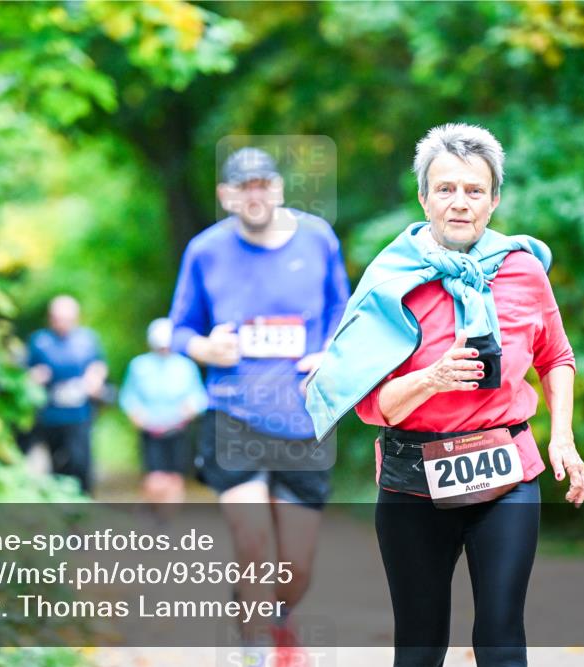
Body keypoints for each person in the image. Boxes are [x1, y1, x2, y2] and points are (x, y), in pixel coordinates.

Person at [306, 123, 584, 667]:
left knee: (502, 637)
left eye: (474, 190)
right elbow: (372, 407)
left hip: (507, 472)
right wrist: (432, 377)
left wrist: (564, 439)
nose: (460, 203)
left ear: (494, 200)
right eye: (446, 189)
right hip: (415, 481)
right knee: (419, 645)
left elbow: (557, 357)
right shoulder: (391, 283)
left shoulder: (523, 271)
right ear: (424, 197)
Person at [168, 146, 351, 663]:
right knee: (251, 542)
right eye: (243, 187)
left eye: (264, 184)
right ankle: (251, 650)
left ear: (279, 188)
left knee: (295, 567)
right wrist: (204, 347)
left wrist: (327, 352)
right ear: (226, 196)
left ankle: (275, 618)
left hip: (301, 415)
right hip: (234, 412)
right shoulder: (204, 251)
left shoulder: (318, 238)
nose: (255, 195)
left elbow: (343, 306)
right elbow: (179, 329)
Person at [119, 317, 208, 510]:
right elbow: (128, 396)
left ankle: (170, 517)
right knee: (154, 477)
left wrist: (191, 407)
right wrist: (136, 414)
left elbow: (199, 396)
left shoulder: (185, 366)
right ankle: (154, 513)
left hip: (177, 429)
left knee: (175, 478)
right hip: (150, 429)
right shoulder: (139, 366)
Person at [27, 295, 108, 495]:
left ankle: (84, 503)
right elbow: (25, 372)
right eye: (57, 318)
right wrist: (35, 377)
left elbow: (99, 365)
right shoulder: (40, 341)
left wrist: (95, 378)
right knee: (57, 464)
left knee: (81, 462)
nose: (61, 323)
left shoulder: (87, 339)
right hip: (51, 414)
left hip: (80, 413)